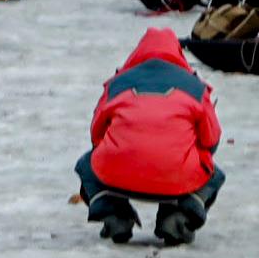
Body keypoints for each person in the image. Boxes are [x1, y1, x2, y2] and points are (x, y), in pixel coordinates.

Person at [77, 27, 225, 245]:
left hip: (117, 173)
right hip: (177, 175)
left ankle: (116, 217)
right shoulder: (195, 87)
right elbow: (211, 139)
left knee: (86, 165)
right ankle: (177, 218)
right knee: (213, 174)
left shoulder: (117, 83)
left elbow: (96, 135)